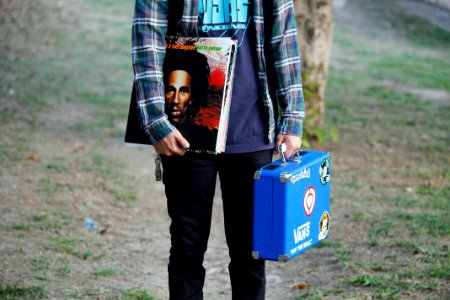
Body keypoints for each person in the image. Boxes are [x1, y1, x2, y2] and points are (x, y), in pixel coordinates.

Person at [131, 0, 305, 299]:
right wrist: (157, 123)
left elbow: (284, 40)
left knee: (251, 255)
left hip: (252, 128)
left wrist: (292, 118)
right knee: (187, 249)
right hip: (187, 134)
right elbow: (147, 43)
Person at [162, 46, 216, 151]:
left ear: (192, 97)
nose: (175, 100)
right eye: (170, 90)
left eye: (183, 91)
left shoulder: (205, 136)